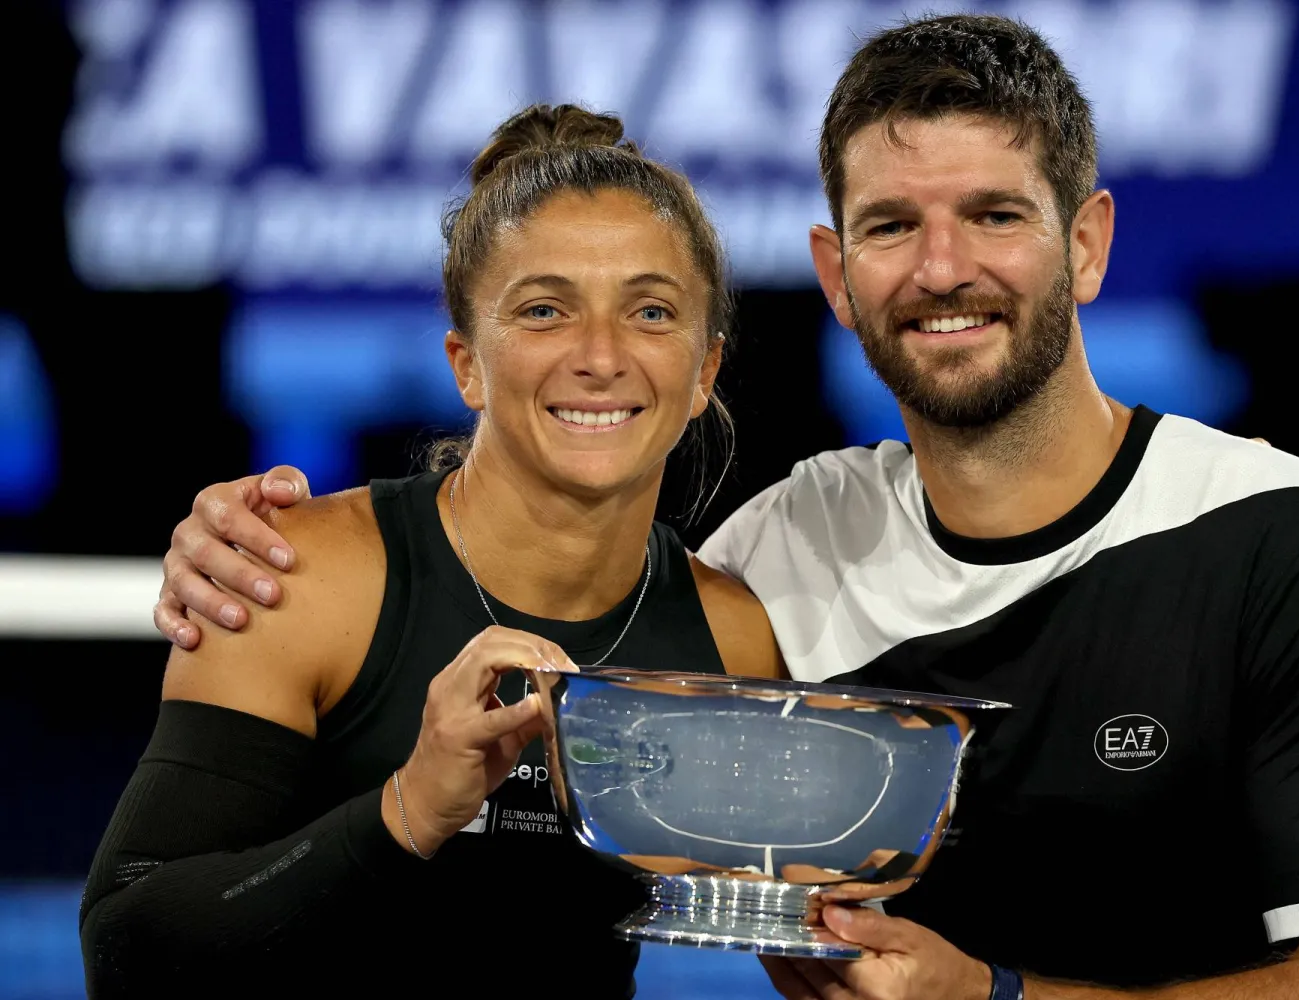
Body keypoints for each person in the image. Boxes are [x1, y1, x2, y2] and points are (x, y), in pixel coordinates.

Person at [151, 14, 1299, 1000]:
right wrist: (248, 545)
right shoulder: (767, 570)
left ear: (1089, 243)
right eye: (890, 227)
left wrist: (993, 999)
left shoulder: (1293, 541)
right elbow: (511, 569)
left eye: (994, 214)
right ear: (835, 272)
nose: (942, 268)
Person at [80, 104, 782, 997]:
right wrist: (407, 810)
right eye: (544, 311)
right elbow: (125, 953)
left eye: (650, 311)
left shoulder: (736, 645)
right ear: (467, 364)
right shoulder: (297, 577)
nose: (602, 357)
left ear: (704, 370)